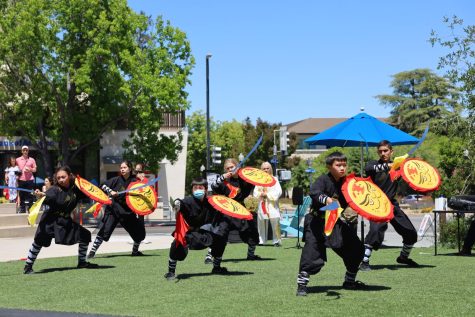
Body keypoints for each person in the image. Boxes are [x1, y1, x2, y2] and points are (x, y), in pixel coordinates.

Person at [296, 151, 365, 296]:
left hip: (334, 222)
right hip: (316, 222)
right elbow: (314, 193)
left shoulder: (347, 184)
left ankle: (349, 281)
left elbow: (355, 197)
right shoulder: (322, 180)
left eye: (344, 165)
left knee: (356, 248)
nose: (342, 168)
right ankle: (302, 285)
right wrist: (326, 199)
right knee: (311, 254)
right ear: (329, 166)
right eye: (338, 165)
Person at [23, 166, 98, 274]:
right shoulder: (54, 189)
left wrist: (102, 196)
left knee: (85, 235)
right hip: (50, 221)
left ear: (69, 176)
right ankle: (28, 267)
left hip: (65, 221)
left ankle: (82, 262)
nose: (61, 180)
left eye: (63, 177)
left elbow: (90, 193)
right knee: (39, 241)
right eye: (58, 178)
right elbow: (48, 196)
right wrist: (41, 195)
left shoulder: (76, 188)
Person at [359, 140, 419, 271]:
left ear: (391, 152)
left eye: (385, 151)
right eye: (380, 151)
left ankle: (403, 257)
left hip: (392, 204)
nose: (383, 153)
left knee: (411, 233)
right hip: (377, 205)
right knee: (375, 231)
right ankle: (364, 261)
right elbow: (370, 169)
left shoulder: (400, 167)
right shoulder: (372, 165)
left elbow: (414, 174)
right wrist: (393, 165)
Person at [165, 178, 230, 280]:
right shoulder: (188, 201)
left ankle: (216, 267)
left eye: (200, 188)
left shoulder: (211, 202)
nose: (198, 190)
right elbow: (180, 202)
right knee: (176, 244)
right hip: (189, 234)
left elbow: (222, 205)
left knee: (221, 239)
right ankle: (171, 271)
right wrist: (176, 204)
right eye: (195, 188)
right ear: (192, 190)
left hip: (205, 233)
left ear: (206, 189)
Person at [205, 158, 261, 263]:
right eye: (228, 168)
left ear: (237, 166)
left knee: (252, 230)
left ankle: (251, 254)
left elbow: (255, 180)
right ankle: (209, 256)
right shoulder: (224, 180)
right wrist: (221, 178)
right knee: (220, 232)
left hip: (241, 208)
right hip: (227, 209)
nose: (230, 169)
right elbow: (213, 187)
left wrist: (244, 173)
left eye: (232, 167)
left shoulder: (244, 179)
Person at [88, 160, 146, 259]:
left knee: (139, 232)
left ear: (130, 169)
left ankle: (135, 251)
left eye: (124, 167)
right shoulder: (115, 180)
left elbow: (142, 193)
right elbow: (102, 185)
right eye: (121, 168)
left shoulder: (135, 182)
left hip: (127, 211)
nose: (122, 169)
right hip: (113, 210)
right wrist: (111, 191)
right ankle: (92, 252)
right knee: (104, 230)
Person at [253, 162, 282, 246]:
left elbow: (279, 191)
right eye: (264, 168)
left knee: (275, 220)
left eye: (267, 168)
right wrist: (260, 194)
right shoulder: (258, 180)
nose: (266, 170)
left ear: (270, 169)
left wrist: (267, 194)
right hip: (262, 203)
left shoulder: (275, 179)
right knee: (261, 222)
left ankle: (276, 240)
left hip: (271, 204)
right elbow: (255, 192)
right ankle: (261, 240)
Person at [16, 145, 37, 213]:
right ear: (22, 151)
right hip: (21, 179)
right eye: (24, 150)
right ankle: (22, 209)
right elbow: (15, 169)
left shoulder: (32, 159)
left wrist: (30, 169)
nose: (25, 151)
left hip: (30, 179)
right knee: (21, 195)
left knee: (30, 195)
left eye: (26, 150)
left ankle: (30, 208)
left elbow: (35, 170)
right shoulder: (17, 159)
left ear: (28, 151)